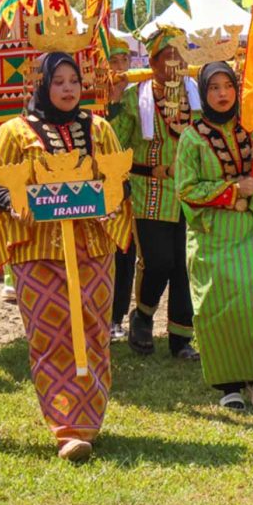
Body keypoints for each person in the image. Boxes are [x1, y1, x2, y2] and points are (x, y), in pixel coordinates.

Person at [0, 53, 131, 461]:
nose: (67, 89)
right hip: (37, 251)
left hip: (92, 248)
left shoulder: (99, 128)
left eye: (74, 81)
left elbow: (118, 180)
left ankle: (90, 423)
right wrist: (14, 204)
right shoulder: (14, 132)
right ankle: (66, 428)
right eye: (59, 81)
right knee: (50, 336)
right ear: (43, 85)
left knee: (93, 332)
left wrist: (114, 201)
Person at [176, 62, 253, 411]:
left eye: (228, 86)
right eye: (214, 88)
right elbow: (186, 189)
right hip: (213, 236)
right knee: (218, 307)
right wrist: (232, 189)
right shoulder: (192, 137)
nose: (222, 94)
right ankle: (228, 383)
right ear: (203, 92)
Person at [109, 26, 198, 360]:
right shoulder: (136, 97)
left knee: (185, 267)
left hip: (193, 194)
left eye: (179, 54)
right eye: (166, 56)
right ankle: (143, 315)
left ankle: (180, 338)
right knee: (158, 261)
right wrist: (115, 101)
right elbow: (116, 144)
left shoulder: (196, 96)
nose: (174, 63)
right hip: (150, 191)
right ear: (153, 61)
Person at [104, 45, 138, 342]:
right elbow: (109, 141)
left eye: (124, 59)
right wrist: (112, 102)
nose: (120, 66)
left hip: (127, 190)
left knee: (125, 254)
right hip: (95, 190)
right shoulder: (90, 95)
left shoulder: (138, 97)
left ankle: (117, 317)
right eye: (113, 60)